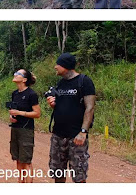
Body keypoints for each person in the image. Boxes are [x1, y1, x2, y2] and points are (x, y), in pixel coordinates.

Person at [46, 53, 96, 183]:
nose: (55, 67)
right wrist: (53, 105)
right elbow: (62, 106)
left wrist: (83, 132)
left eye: (58, 64)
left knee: (79, 176)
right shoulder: (60, 83)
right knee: (57, 173)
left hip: (76, 136)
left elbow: (89, 108)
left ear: (65, 66)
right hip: (58, 135)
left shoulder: (84, 81)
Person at [8, 69, 41, 183]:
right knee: (18, 159)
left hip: (26, 130)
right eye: (15, 73)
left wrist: (20, 113)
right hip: (15, 128)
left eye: (18, 74)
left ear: (24, 79)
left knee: (26, 161)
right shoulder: (15, 94)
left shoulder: (31, 94)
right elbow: (13, 111)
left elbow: (37, 113)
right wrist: (12, 117)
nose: (15, 74)